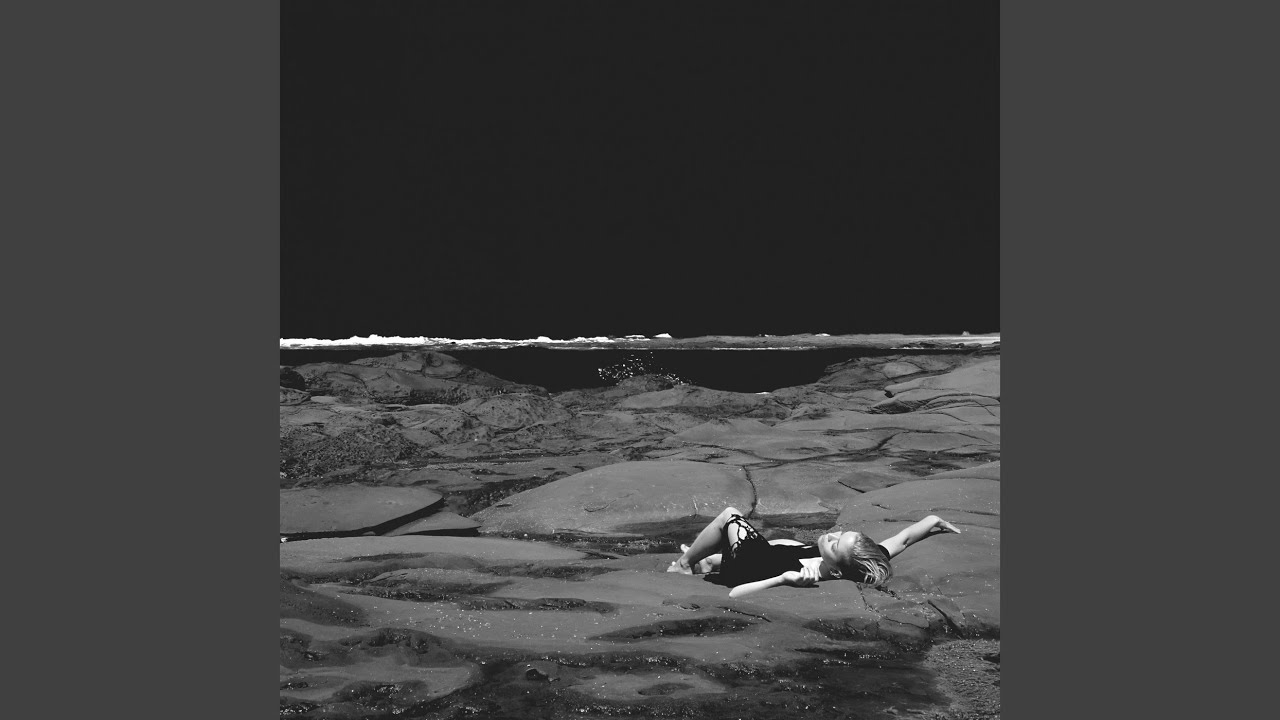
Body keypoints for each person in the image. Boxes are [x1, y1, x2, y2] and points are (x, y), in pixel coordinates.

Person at [666, 506, 961, 598]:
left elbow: (735, 594)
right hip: (765, 554)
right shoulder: (856, 560)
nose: (832, 536)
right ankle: (709, 562)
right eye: (841, 535)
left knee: (730, 515)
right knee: (714, 558)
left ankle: (683, 564)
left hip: (751, 567)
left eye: (834, 544)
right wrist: (933, 521)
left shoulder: (808, 574)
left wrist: (783, 580)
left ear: (836, 570)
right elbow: (904, 540)